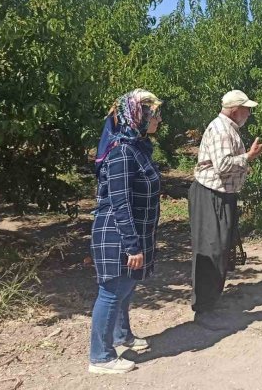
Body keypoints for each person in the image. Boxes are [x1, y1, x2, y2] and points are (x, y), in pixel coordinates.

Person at [88, 89, 163, 374]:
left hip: (133, 232)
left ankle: (122, 336)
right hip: (117, 232)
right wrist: (132, 246)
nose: (158, 119)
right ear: (138, 116)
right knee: (111, 291)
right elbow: (120, 202)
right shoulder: (121, 152)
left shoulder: (137, 147)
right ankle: (100, 357)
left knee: (126, 286)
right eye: (154, 114)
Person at [189, 89, 262, 330]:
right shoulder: (223, 130)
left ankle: (211, 302)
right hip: (211, 195)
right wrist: (248, 157)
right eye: (246, 109)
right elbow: (222, 166)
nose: (249, 113)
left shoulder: (228, 128)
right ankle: (203, 309)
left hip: (220, 195)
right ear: (235, 110)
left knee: (221, 248)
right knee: (211, 249)